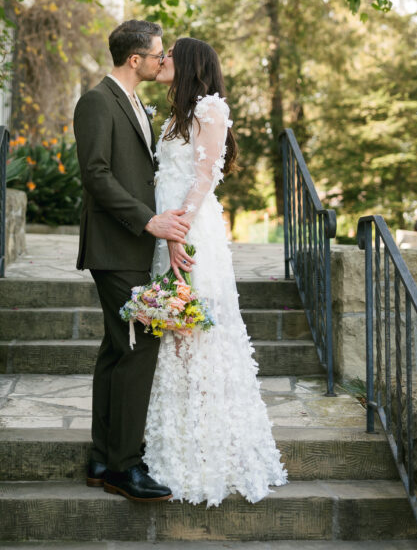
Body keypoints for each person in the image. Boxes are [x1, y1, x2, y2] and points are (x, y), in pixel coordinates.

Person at [143, 37, 287, 506]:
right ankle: (175, 441)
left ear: (187, 63)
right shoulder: (174, 116)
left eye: (168, 56)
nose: (161, 61)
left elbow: (203, 177)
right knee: (173, 332)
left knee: (194, 331)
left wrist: (178, 230)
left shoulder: (211, 107)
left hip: (189, 229)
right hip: (166, 229)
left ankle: (206, 450)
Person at [73, 19, 191, 503]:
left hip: (132, 248)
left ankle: (103, 458)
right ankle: (125, 466)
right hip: (116, 245)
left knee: (117, 348)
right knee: (142, 343)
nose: (164, 61)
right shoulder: (97, 102)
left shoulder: (136, 104)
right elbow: (96, 176)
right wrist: (149, 222)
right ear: (134, 59)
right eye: (158, 54)